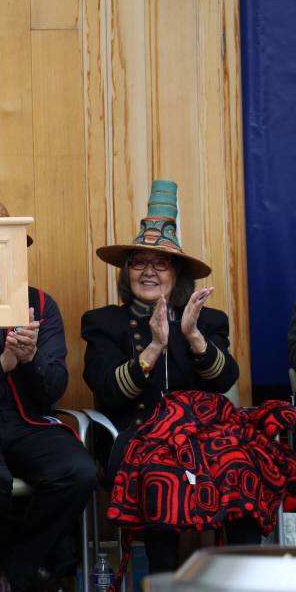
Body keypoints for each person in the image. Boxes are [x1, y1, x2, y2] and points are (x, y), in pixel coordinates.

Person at [82, 180, 265, 575]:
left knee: (241, 463)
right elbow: (109, 393)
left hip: (203, 437)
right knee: (161, 472)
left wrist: (193, 337)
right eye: (138, 262)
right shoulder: (103, 323)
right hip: (134, 434)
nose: (148, 271)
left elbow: (222, 380)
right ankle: (162, 581)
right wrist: (152, 349)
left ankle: (244, 579)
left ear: (176, 273)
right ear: (126, 271)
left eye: (160, 263)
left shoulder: (207, 320)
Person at [0, 200, 97, 592]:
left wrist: (29, 360)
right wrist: (4, 363)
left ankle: (14, 571)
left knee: (79, 473)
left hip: (29, 421)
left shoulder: (41, 304)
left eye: (6, 245)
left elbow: (54, 387)